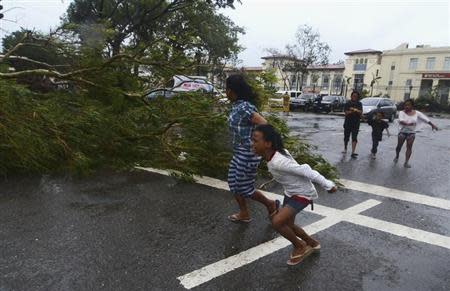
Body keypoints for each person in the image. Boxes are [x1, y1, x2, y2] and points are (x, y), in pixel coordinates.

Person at [251, 124, 337, 266]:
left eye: (255, 141)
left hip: (302, 194)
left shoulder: (279, 161)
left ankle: (299, 246)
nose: (252, 144)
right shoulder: (273, 154)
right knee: (288, 224)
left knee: (278, 222)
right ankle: (312, 242)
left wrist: (328, 184)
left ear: (267, 144)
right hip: (291, 192)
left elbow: (306, 170)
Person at [226, 74, 279, 223]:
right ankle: (244, 213)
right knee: (233, 183)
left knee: (243, 187)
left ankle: (271, 204)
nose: (226, 92)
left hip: (248, 153)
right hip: (238, 151)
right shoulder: (237, 105)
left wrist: (259, 144)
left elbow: (264, 124)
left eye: (226, 89)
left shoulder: (244, 107)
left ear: (230, 90)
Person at [394, 99, 438, 168]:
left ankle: (406, 162)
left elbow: (425, 118)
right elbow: (401, 121)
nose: (406, 106)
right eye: (405, 105)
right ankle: (397, 156)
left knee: (409, 147)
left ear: (412, 106)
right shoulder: (401, 112)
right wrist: (409, 124)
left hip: (411, 133)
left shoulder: (417, 113)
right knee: (399, 147)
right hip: (402, 132)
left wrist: (432, 125)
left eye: (408, 105)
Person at [343, 91, 363, 158]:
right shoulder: (348, 103)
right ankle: (345, 148)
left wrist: (356, 110)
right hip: (348, 122)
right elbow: (346, 113)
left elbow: (361, 112)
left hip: (356, 123)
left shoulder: (359, 104)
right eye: (353, 96)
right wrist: (352, 111)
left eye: (356, 96)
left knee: (354, 137)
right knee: (346, 137)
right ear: (351, 96)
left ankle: (353, 152)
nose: (355, 97)